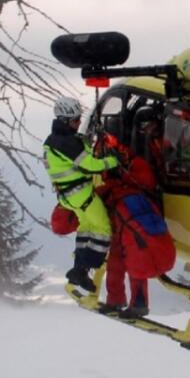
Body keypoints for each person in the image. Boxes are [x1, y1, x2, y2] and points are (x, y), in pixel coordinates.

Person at [44, 96, 120, 291]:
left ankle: (79, 270)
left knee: (86, 229)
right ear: (66, 121)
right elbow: (90, 165)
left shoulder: (54, 141)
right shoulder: (66, 142)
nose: (78, 124)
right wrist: (113, 161)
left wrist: (88, 140)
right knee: (103, 229)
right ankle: (87, 268)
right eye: (76, 120)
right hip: (80, 194)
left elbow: (79, 154)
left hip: (68, 197)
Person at [98, 136, 176, 318]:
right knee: (116, 261)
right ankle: (115, 299)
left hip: (130, 220)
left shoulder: (134, 170)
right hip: (121, 224)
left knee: (136, 255)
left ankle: (139, 303)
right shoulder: (114, 177)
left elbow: (144, 179)